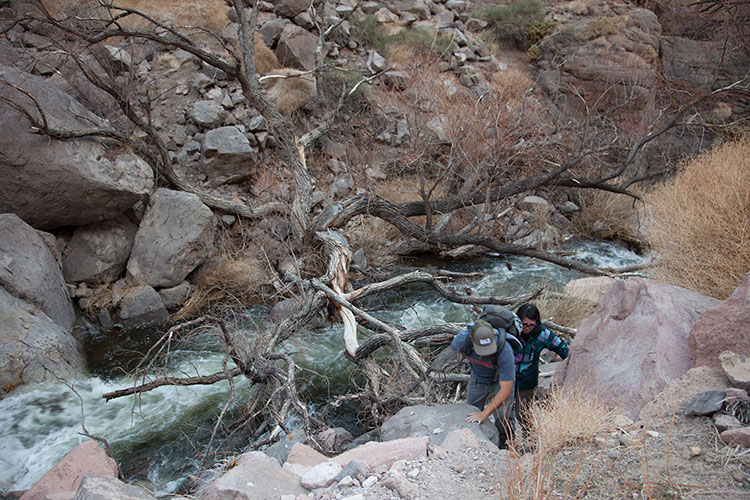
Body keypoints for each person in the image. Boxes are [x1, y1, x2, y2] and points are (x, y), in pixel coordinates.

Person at [450, 318, 516, 449]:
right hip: (478, 377)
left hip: (499, 379)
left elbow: (506, 389)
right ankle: (474, 444)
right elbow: (457, 352)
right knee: (470, 411)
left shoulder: (505, 350)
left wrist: (485, 414)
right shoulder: (461, 341)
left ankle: (506, 445)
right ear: (472, 339)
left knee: (503, 415)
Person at [514, 303, 569, 429]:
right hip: (507, 379)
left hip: (527, 381)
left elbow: (561, 347)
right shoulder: (511, 331)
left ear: (537, 323)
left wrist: (571, 362)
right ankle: (503, 442)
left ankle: (529, 437)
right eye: (524, 324)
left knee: (522, 414)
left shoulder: (543, 334)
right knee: (503, 414)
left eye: (531, 325)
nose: (527, 328)